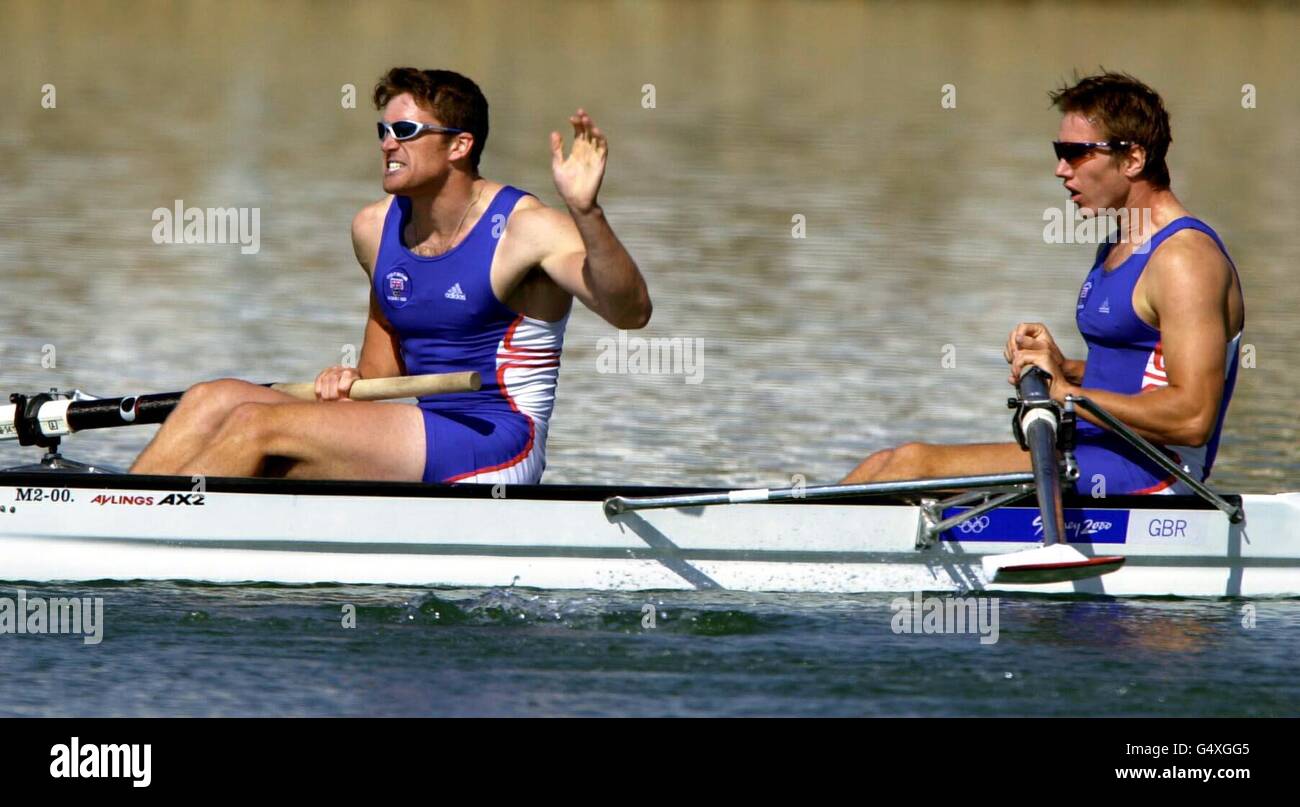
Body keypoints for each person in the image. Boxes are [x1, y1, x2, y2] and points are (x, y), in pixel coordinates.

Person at [131, 67, 651, 483]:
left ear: (458, 146)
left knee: (253, 424)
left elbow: (631, 314)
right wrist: (349, 381)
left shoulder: (527, 228)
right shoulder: (374, 228)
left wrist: (587, 212)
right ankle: (122, 514)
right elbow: (380, 377)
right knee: (213, 397)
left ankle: (156, 548)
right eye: (383, 131)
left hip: (499, 442)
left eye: (405, 131)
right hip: (423, 435)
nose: (386, 144)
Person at [843, 72, 1244, 495]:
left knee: (912, 465)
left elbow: (1192, 418)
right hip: (1098, 449)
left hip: (1156, 471)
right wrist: (1062, 367)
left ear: (1132, 160)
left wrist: (1068, 394)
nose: (1059, 169)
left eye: (1076, 153)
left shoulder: (1185, 261)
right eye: (1059, 151)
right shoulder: (1120, 244)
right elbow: (1140, 378)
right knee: (884, 463)